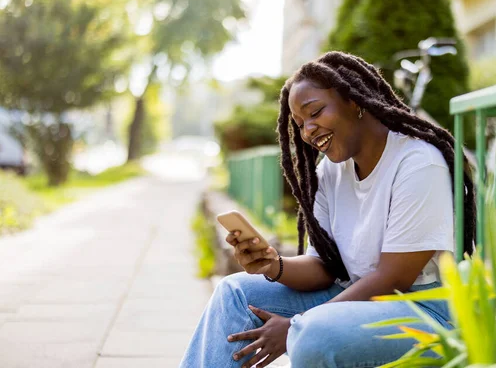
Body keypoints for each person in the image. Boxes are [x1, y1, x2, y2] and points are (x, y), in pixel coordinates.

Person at [179, 51, 476, 368]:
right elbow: (324, 267)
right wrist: (273, 264)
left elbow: (395, 277)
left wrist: (296, 325)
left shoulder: (418, 163)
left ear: (354, 101)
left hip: (424, 310)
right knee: (234, 292)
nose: (308, 130)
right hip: (354, 294)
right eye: (300, 123)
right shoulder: (332, 171)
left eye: (315, 112)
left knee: (315, 335)